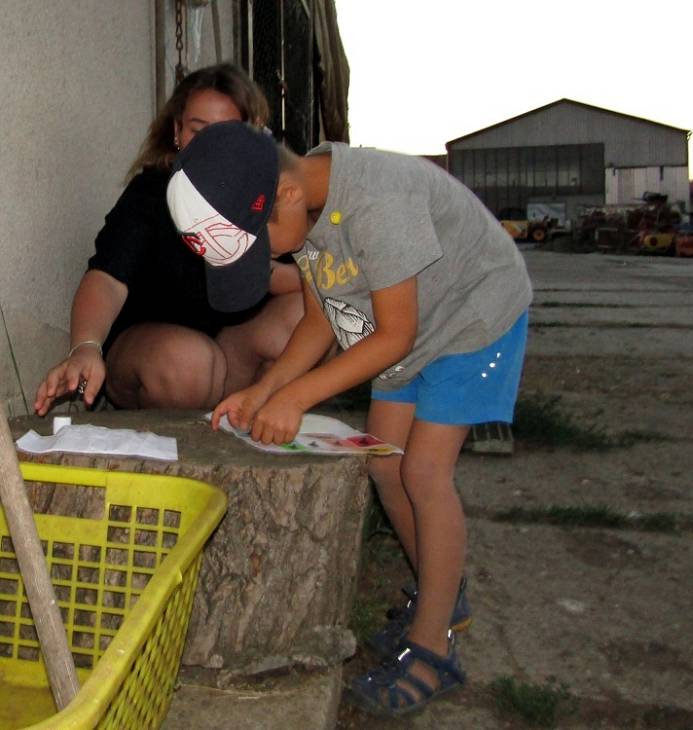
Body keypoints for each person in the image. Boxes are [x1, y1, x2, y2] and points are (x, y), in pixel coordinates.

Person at [166, 121, 533, 717]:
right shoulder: (305, 213)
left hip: (471, 316)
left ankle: (433, 646)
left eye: (265, 244)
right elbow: (321, 322)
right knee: (384, 465)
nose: (278, 256)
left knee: (423, 474)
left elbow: (394, 334)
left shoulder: (375, 201)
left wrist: (298, 398)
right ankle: (444, 596)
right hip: (407, 328)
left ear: (284, 193)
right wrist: (265, 391)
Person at [34, 64, 303, 415]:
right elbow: (107, 278)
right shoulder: (152, 192)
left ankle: (246, 419)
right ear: (177, 131)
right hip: (154, 355)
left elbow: (302, 281)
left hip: (228, 358)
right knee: (191, 362)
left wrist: (256, 265)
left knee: (308, 313)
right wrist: (85, 346)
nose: (211, 145)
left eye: (226, 132)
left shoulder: (264, 196)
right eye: (198, 130)